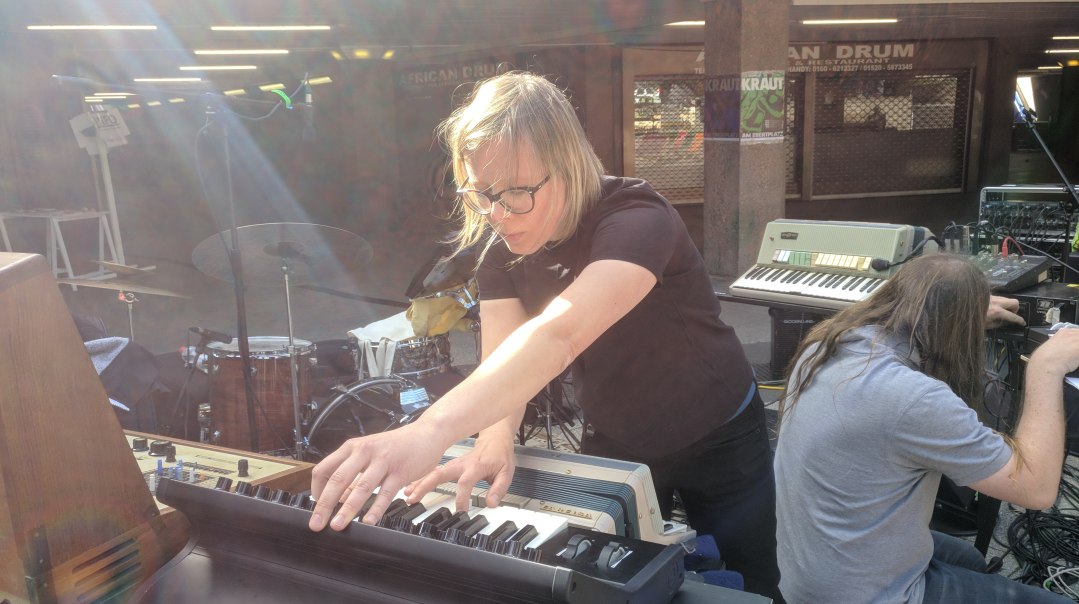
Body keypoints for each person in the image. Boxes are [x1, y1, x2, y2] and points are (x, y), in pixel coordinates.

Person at [308, 71, 784, 601]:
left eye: (516, 192)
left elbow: (558, 335)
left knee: (751, 581)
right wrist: (493, 439)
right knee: (613, 582)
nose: (497, 214)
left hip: (715, 426)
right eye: (481, 193)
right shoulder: (499, 248)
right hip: (618, 430)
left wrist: (429, 431)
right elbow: (503, 361)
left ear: (568, 164)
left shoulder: (638, 219)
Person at [773, 253, 1078, 603]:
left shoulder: (828, 342)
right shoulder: (912, 399)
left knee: (970, 559)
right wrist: (1046, 367)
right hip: (857, 594)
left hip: (811, 565)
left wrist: (959, 317)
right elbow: (1036, 490)